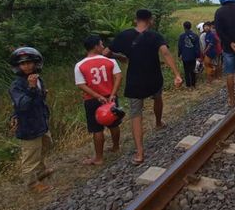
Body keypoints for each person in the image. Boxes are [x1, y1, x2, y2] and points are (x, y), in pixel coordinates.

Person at [105, 9, 182, 165]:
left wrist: (119, 57)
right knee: (158, 97)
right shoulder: (155, 36)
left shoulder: (124, 35)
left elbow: (106, 52)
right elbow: (166, 53)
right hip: (154, 78)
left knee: (136, 115)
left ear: (136, 20)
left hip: (135, 81)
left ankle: (140, 153)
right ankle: (159, 122)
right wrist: (177, 74)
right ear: (150, 20)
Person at [9, 47, 53, 192]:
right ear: (18, 66)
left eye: (29, 62)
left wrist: (41, 93)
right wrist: (32, 89)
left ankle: (41, 172)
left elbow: (38, 99)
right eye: (23, 64)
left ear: (36, 63)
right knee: (30, 156)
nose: (26, 66)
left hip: (41, 121)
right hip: (28, 126)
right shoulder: (18, 84)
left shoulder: (37, 78)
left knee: (45, 145)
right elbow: (22, 105)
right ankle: (32, 184)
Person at [74, 35, 123, 166]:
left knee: (97, 129)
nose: (103, 47)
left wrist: (97, 96)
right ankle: (116, 147)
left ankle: (99, 158)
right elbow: (118, 76)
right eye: (101, 44)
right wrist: (113, 94)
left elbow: (81, 84)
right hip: (110, 97)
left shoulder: (79, 65)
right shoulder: (110, 61)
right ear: (95, 46)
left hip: (92, 100)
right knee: (114, 124)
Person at [178, 21, 201, 88]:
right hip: (193, 55)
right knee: (193, 70)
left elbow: (180, 46)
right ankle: (193, 84)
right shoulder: (195, 36)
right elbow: (197, 47)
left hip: (185, 56)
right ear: (190, 26)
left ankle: (188, 85)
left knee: (186, 71)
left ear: (184, 27)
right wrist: (198, 56)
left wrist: (179, 55)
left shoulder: (181, 36)